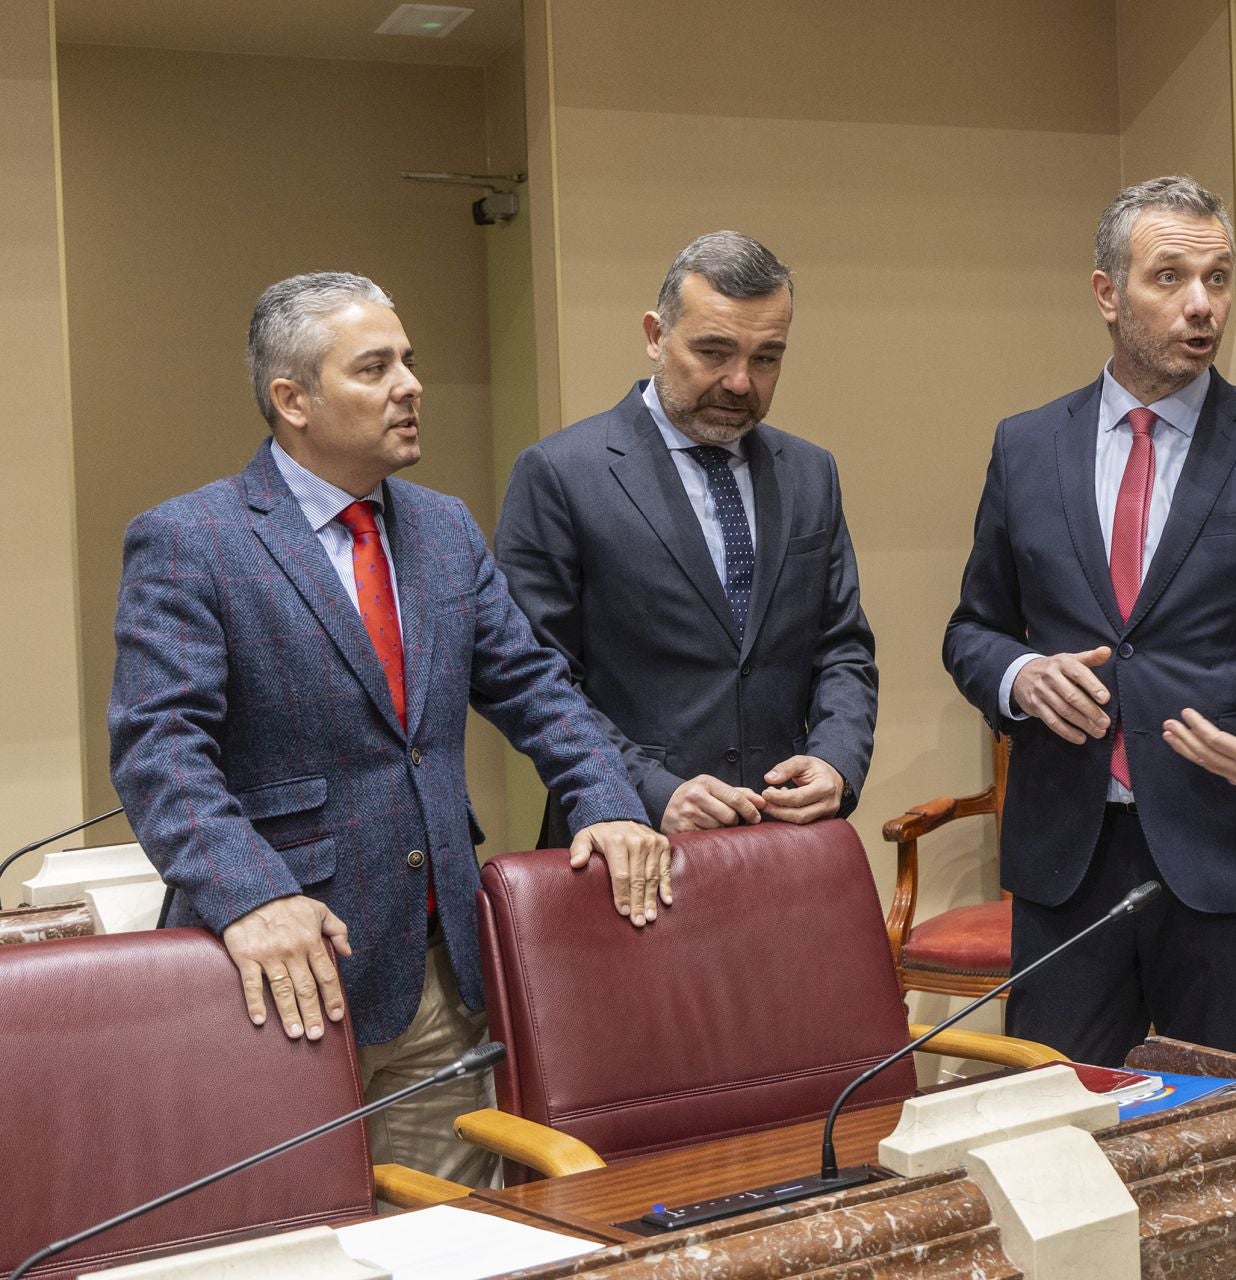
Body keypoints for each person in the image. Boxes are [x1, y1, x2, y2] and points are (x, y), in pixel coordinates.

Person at [108, 272, 669, 1183]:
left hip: (435, 973)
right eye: (376, 367)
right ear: (294, 400)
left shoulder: (445, 530)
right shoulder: (192, 539)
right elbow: (160, 752)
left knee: (439, 1232)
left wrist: (606, 799)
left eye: (409, 361)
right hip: (277, 973)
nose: (411, 384)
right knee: (287, 1232)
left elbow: (536, 689)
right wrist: (252, 895)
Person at [944, 176, 1236, 1067]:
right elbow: (974, 629)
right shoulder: (1025, 446)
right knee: (1064, 1141)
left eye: (1218, 279)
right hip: (1069, 856)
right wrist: (1018, 678)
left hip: (1234, 851)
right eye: (1171, 277)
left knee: (1220, 1152)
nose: (1201, 304)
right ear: (1107, 293)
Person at [496, 232, 876, 841]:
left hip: (782, 842)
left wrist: (836, 760)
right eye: (714, 351)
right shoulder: (561, 474)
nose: (740, 382)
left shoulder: (810, 472)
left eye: (766, 358)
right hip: (625, 845)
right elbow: (536, 681)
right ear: (655, 335)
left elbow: (842, 647)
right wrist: (651, 790)